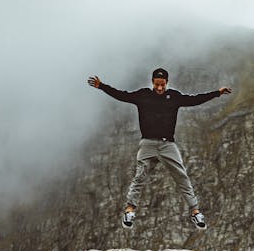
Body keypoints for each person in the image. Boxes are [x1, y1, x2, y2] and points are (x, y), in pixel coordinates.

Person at [87, 68, 231, 230]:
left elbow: (195, 99)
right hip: (147, 144)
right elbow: (123, 95)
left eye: (162, 85)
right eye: (157, 84)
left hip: (168, 145)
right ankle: (130, 210)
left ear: (167, 83)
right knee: (140, 176)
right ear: (152, 82)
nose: (160, 88)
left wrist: (217, 93)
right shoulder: (143, 95)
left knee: (181, 176)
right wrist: (102, 86)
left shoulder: (174, 97)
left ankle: (195, 212)